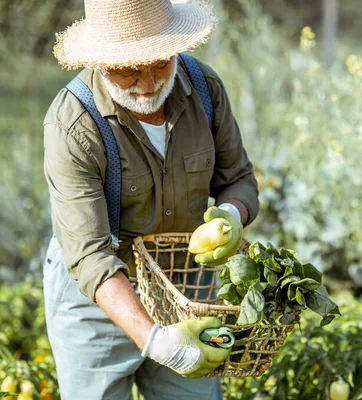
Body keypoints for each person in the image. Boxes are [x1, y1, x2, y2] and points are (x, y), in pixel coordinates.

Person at [41, 0, 259, 398]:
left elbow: (239, 179)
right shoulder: (73, 124)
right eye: (127, 70)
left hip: (185, 289)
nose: (147, 83)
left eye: (159, 63)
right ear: (100, 61)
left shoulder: (204, 89)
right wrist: (160, 342)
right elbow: (90, 257)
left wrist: (229, 215)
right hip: (98, 299)